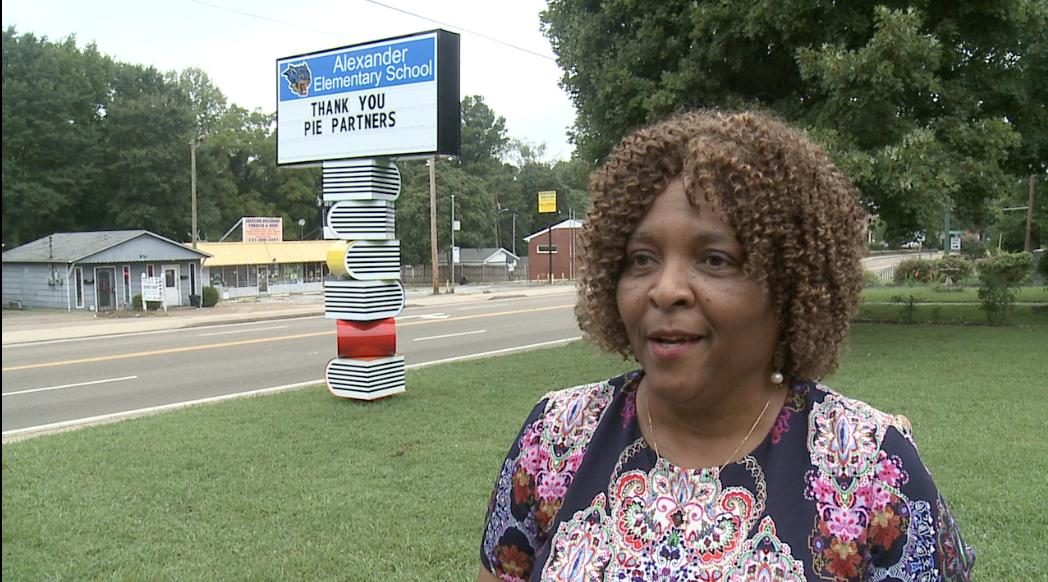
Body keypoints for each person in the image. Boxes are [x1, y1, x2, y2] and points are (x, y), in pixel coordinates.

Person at [477, 110, 974, 581]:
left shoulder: (873, 468)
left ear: (790, 284)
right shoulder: (555, 439)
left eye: (715, 260)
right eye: (642, 258)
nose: (665, 289)